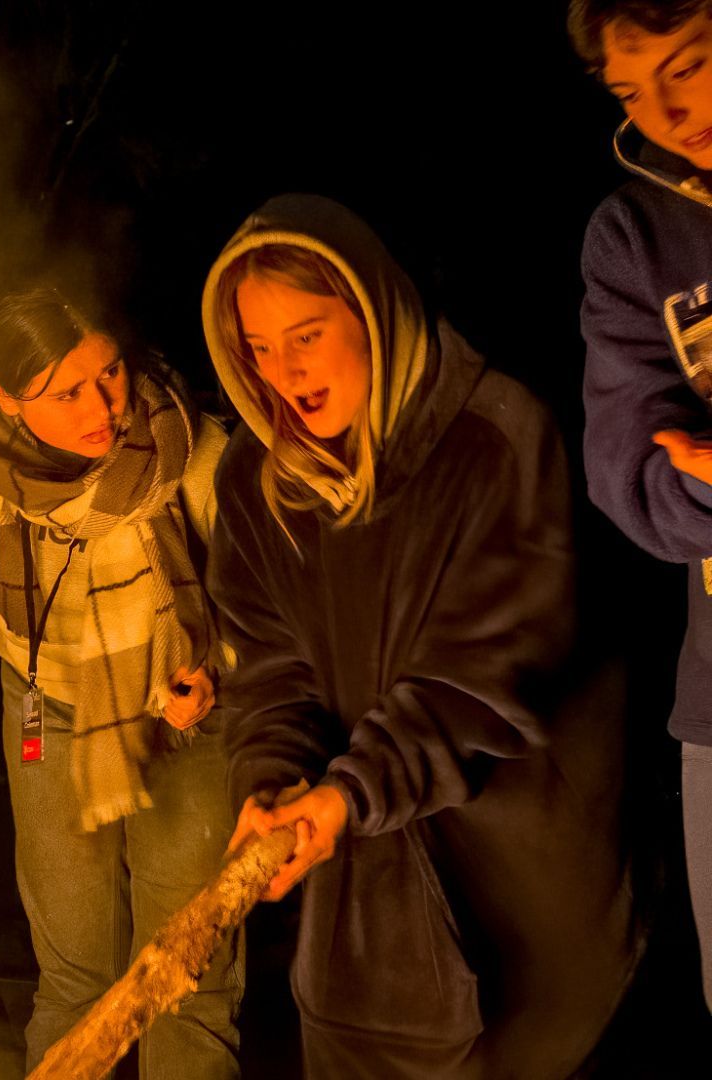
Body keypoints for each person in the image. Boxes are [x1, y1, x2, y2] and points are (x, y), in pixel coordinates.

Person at [203, 194, 636, 1075]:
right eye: (258, 346)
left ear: (371, 311)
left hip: (521, 916)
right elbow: (270, 670)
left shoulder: (497, 442)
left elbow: (482, 673)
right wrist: (278, 781)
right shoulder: (257, 483)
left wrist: (352, 792)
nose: (284, 371)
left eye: (308, 334)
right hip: (368, 941)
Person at [0, 286, 238, 1074]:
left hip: (180, 721)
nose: (103, 406)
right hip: (44, 709)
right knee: (73, 979)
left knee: (186, 978)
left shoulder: (191, 453)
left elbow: (273, 603)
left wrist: (222, 670)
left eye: (112, 374)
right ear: (3, 401)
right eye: (65, 393)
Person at [571, 0, 712, 1013]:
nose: (667, 111)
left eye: (691, 66)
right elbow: (631, 473)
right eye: (632, 92)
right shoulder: (637, 237)